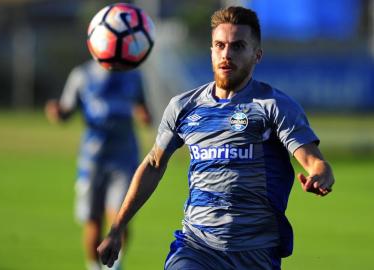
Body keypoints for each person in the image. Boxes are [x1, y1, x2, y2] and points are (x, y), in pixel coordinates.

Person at [97, 6, 335, 270]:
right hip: (196, 246)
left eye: (237, 46)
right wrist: (117, 227)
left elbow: (315, 162)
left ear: (257, 55)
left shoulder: (274, 106)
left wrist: (320, 175)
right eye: (219, 45)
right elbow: (154, 163)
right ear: (211, 50)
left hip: (254, 253)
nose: (226, 54)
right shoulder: (183, 106)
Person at [45, 59, 151, 270]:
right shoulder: (82, 74)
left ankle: (113, 267)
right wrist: (57, 113)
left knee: (120, 221)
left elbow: (142, 107)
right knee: (93, 220)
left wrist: (144, 116)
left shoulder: (133, 75)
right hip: (93, 159)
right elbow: (66, 111)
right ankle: (93, 266)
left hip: (125, 157)